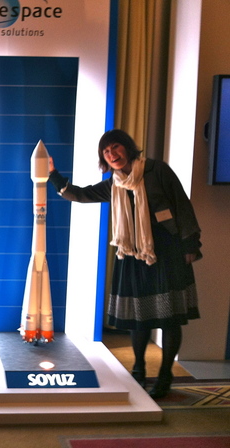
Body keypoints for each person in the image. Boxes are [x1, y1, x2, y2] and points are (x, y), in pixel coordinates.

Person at [48, 129, 201, 399]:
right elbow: (80, 194)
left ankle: (165, 375)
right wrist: (53, 174)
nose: (112, 154)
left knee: (170, 318)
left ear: (128, 147)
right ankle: (139, 369)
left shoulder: (157, 170)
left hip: (166, 251)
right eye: (106, 152)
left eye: (115, 147)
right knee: (138, 318)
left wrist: (191, 245)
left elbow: (182, 205)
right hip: (132, 255)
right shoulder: (114, 183)